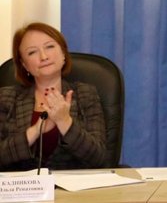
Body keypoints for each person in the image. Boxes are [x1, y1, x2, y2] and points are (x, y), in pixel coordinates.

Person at [0, 22, 107, 171]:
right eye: (32, 52)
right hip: (22, 185)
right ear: (24, 65)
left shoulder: (85, 94)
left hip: (73, 184)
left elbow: (99, 158)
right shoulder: (6, 98)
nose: (44, 57)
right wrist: (34, 131)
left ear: (63, 54)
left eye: (49, 47)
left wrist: (64, 121)